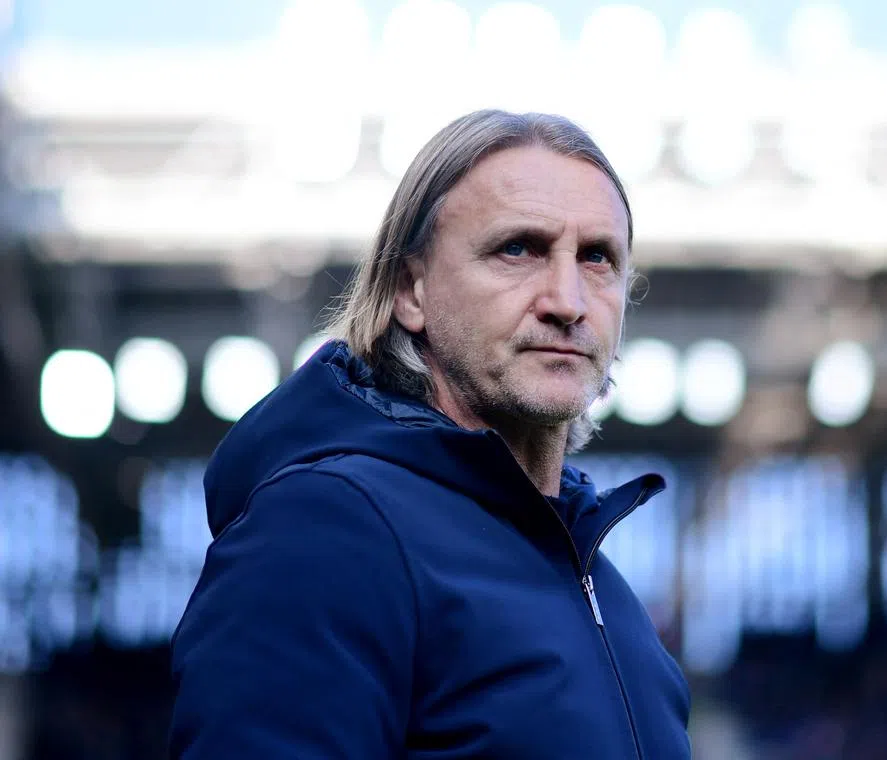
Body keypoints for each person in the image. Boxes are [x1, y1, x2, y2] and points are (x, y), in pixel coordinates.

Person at [168, 109, 692, 758]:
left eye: (597, 258)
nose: (568, 300)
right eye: (518, 249)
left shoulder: (612, 599)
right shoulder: (324, 531)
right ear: (409, 292)